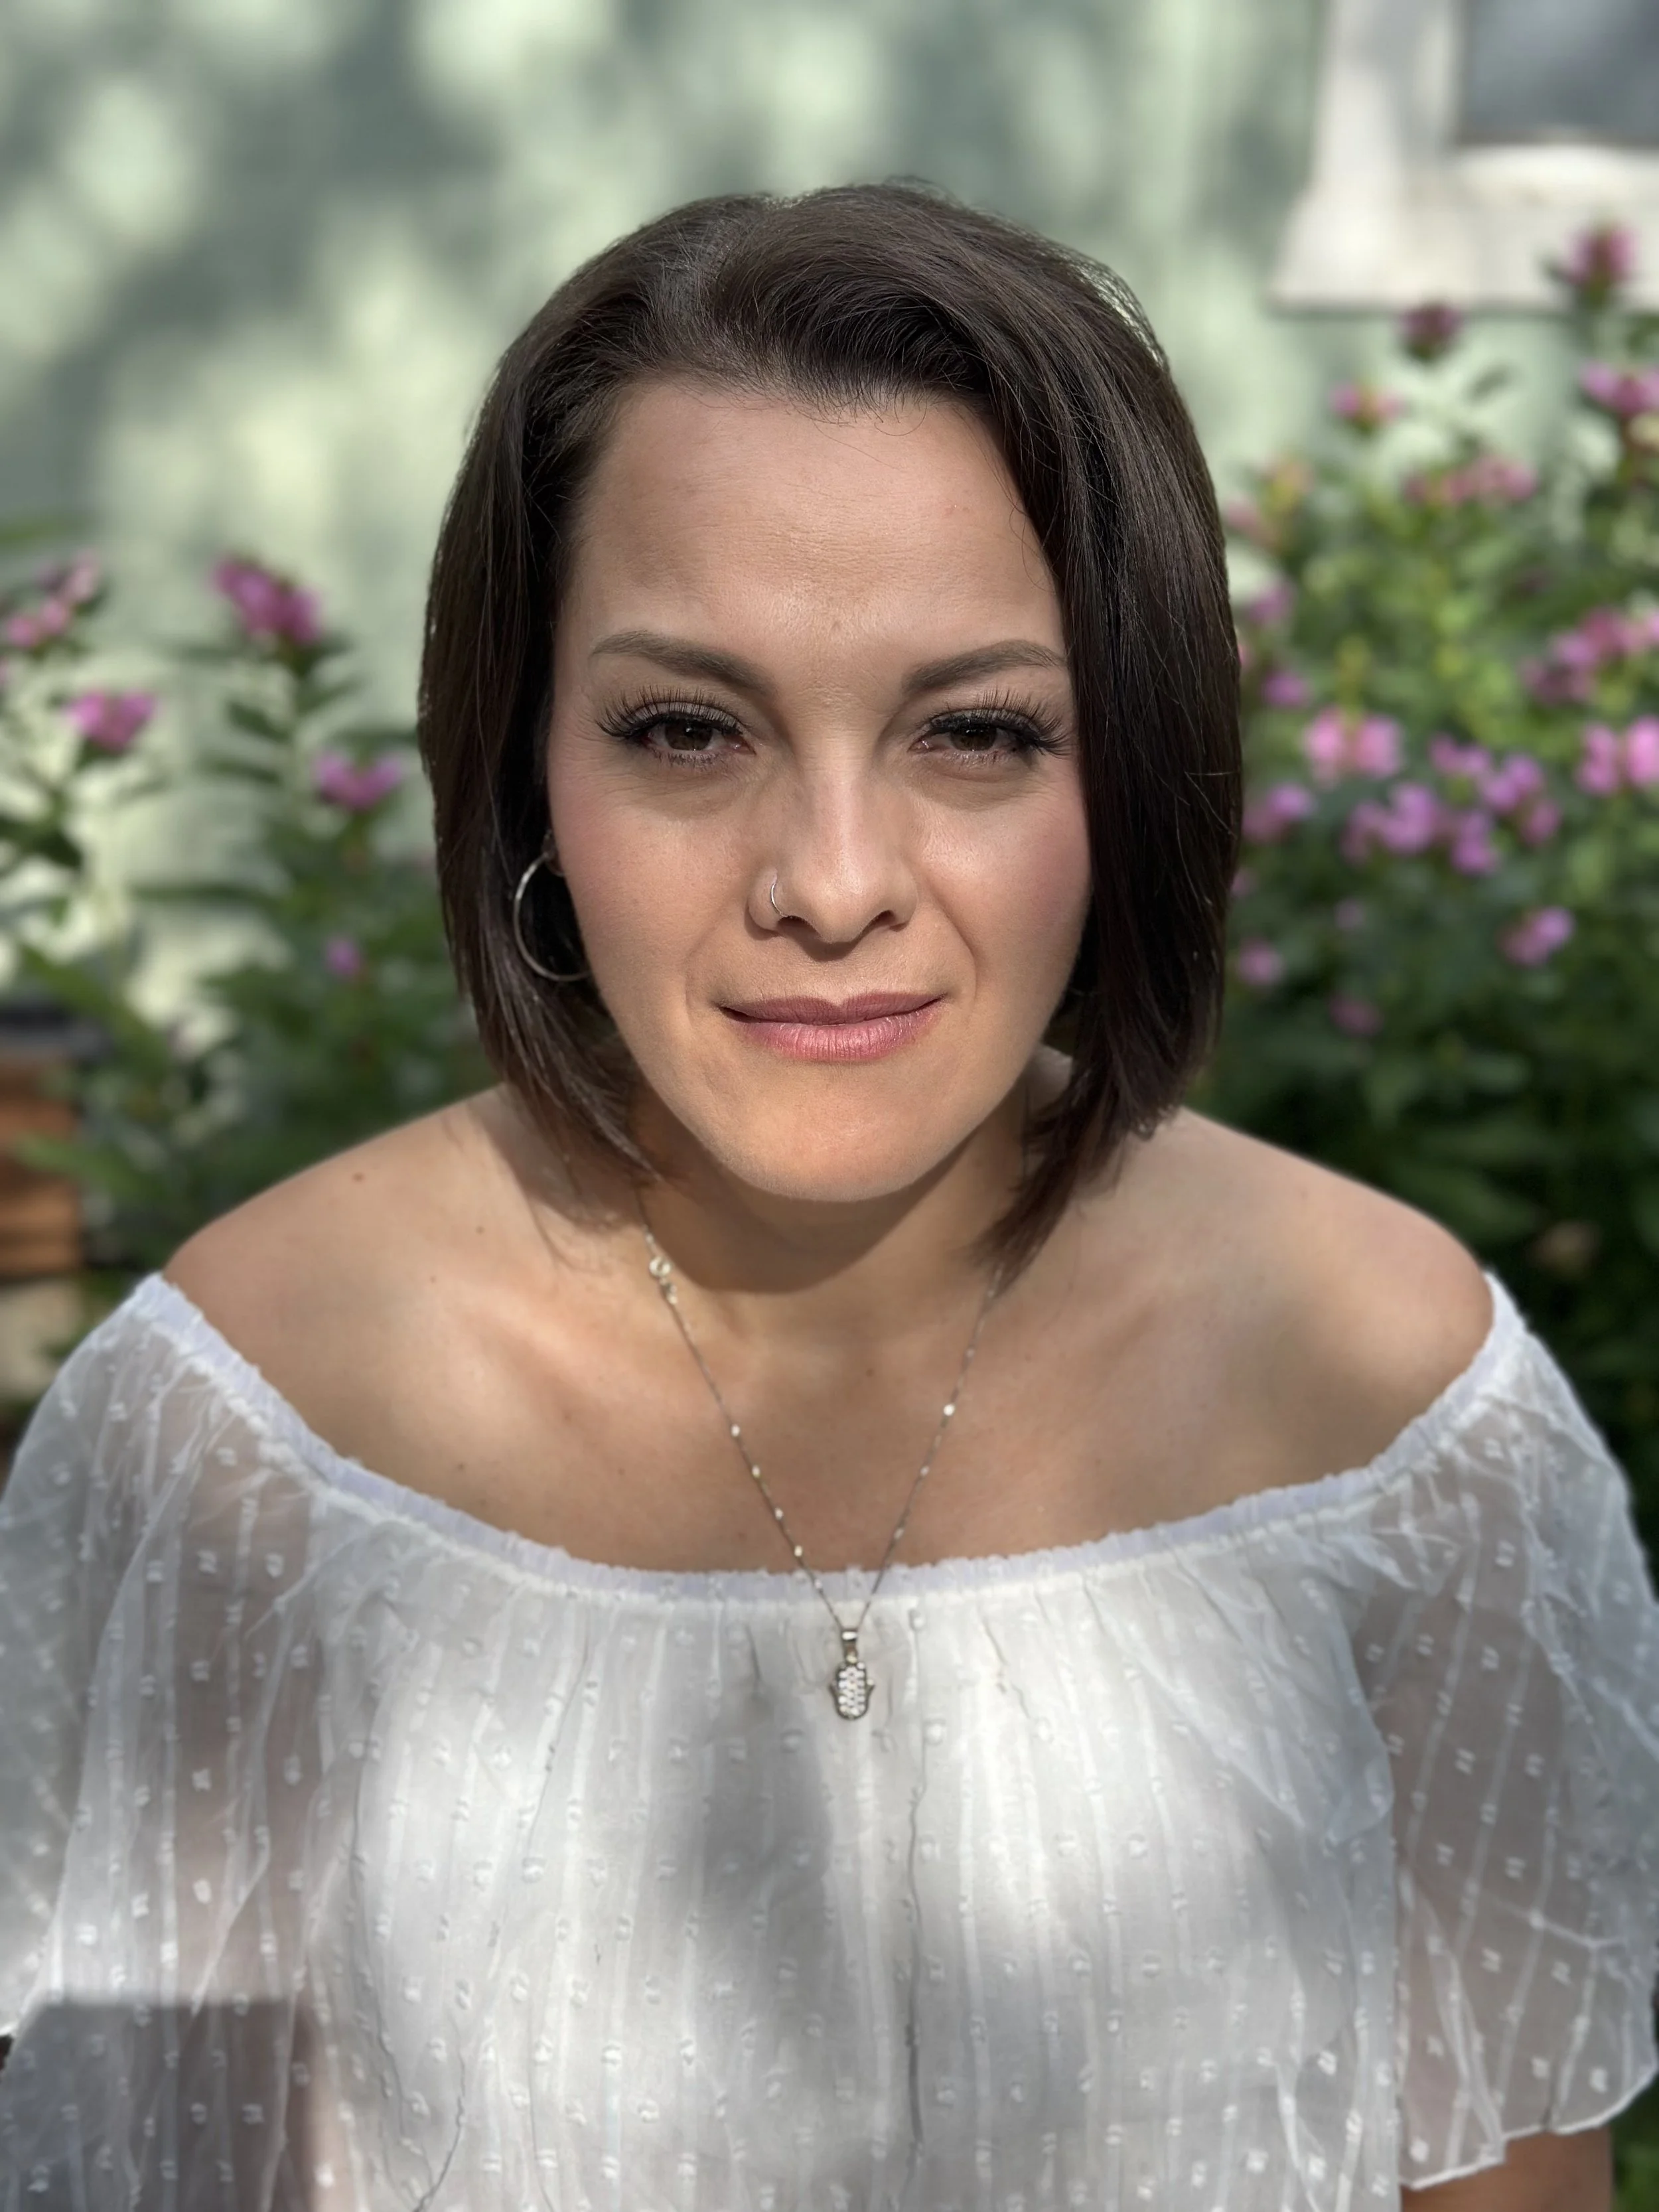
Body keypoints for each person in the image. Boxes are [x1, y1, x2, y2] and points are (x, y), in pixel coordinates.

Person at [0, 184, 1654, 2212]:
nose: (834, 874)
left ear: (1123, 768)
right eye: (688, 729)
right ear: (527, 770)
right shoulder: (236, 1447)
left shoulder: (1402, 1413)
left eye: (974, 731)